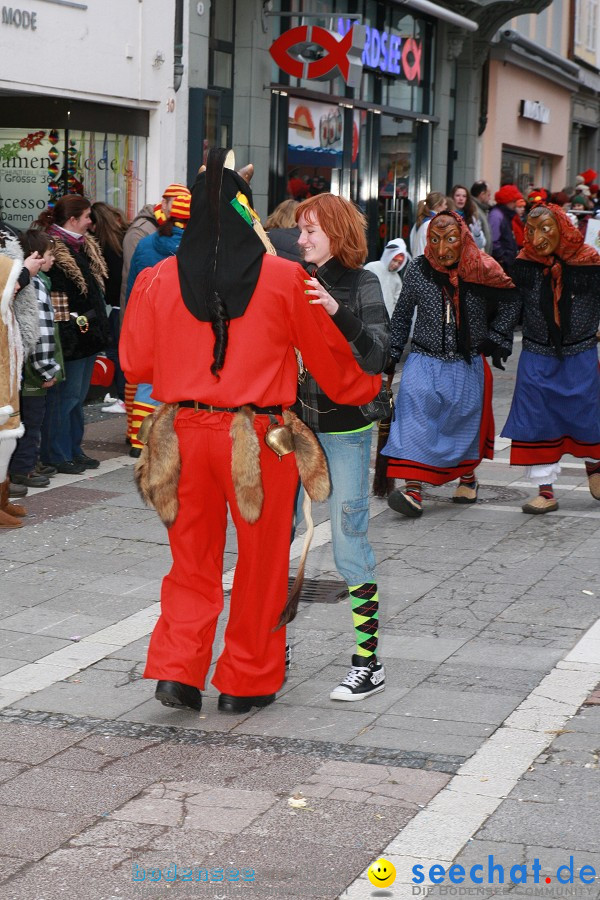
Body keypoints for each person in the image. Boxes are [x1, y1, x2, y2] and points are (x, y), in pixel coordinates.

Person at [119, 148, 381, 715]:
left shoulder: (158, 278)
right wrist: (366, 389)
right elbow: (337, 369)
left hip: (181, 436)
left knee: (191, 560)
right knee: (261, 566)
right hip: (258, 439)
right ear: (248, 217)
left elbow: (135, 364)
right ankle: (244, 679)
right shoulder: (284, 278)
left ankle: (178, 671)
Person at [294, 193, 390, 702]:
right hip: (294, 428)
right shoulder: (291, 276)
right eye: (300, 230)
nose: (302, 238)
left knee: (350, 536)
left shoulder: (363, 282)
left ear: (338, 232)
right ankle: (275, 647)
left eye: (311, 230)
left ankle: (367, 662)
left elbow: (378, 354)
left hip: (348, 427)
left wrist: (336, 311)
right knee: (277, 534)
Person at [382, 211, 519, 517]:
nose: (442, 249)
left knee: (460, 422)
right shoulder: (417, 269)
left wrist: (495, 336)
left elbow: (511, 300)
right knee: (413, 421)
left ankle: (467, 477)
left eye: (450, 239)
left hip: (465, 362)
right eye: (434, 239)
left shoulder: (482, 267)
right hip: (423, 359)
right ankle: (414, 491)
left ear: (464, 237)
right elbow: (403, 313)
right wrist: (391, 352)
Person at [501, 203, 600, 513]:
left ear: (561, 227)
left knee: (589, 413)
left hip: (581, 351)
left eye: (545, 229)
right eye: (531, 231)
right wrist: (497, 337)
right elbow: (510, 305)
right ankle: (545, 490)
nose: (537, 237)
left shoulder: (590, 261)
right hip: (537, 354)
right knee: (536, 419)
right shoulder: (523, 263)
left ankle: (595, 468)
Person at [37, 195, 109, 474]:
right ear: (73, 219)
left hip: (87, 332)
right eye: (88, 216)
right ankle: (57, 453)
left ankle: (73, 448)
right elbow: (57, 302)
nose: (91, 222)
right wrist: (70, 336)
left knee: (77, 398)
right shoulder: (55, 250)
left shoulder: (81, 246)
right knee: (65, 398)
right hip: (73, 336)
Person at [120, 183, 189, 441]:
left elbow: (132, 283)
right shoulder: (199, 246)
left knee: (145, 378)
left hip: (149, 319)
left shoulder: (147, 242)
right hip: (183, 323)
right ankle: (172, 433)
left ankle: (139, 438)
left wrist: (131, 319)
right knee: (178, 379)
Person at [9, 230, 63, 491]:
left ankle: (21, 466)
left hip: (23, 366)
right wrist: (47, 369)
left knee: (23, 421)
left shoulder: (36, 282)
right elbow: (40, 333)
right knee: (31, 422)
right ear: (37, 258)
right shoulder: (36, 285)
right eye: (51, 254)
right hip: (32, 369)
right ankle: (23, 470)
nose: (54, 259)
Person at [90, 202, 128, 413]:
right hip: (123, 304)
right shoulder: (124, 236)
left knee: (115, 353)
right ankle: (124, 397)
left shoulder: (104, 246)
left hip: (115, 307)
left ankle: (122, 397)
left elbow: (109, 282)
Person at [364, 238, 409, 318]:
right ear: (389, 255)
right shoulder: (371, 268)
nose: (396, 264)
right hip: (368, 314)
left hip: (387, 319)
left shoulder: (397, 280)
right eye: (394, 260)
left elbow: (398, 302)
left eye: (399, 263)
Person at [488, 184, 523, 271]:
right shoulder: (497, 215)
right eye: (514, 201)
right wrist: (502, 258)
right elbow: (493, 240)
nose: (515, 204)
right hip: (502, 263)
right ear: (508, 200)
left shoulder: (503, 214)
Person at [410, 192, 447, 257]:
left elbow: (412, 245)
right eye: (445, 204)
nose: (446, 207)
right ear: (438, 206)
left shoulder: (419, 222)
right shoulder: (432, 224)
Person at [451, 184, 486, 250]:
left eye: (464, 196)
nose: (461, 199)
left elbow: (480, 245)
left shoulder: (471, 217)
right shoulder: (447, 217)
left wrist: (477, 235)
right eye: (458, 195)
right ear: (452, 198)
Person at [471, 180, 493, 253]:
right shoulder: (474, 210)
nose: (490, 198)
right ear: (482, 194)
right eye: (488, 195)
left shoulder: (481, 209)